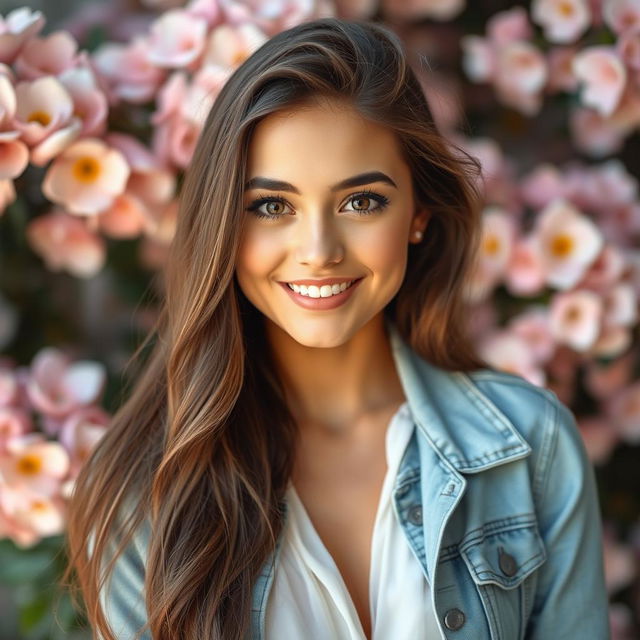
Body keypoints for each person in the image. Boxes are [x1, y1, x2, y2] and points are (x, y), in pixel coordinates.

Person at [63, 16, 611, 640]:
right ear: (224, 225)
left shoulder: (531, 449)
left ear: (419, 215)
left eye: (362, 201)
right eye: (272, 206)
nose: (318, 250)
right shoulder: (144, 487)